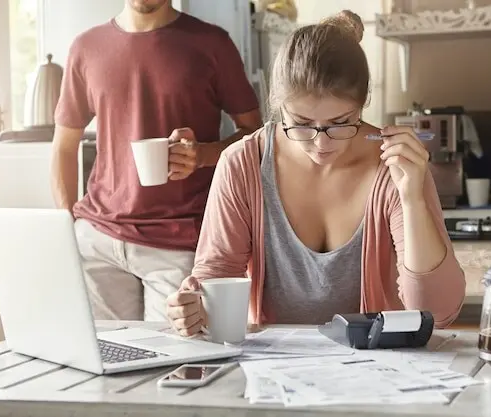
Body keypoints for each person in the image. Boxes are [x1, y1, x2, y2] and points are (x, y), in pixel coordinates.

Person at [166, 10, 465, 335]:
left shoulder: (395, 166)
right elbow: (217, 276)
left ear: (363, 103)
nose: (321, 143)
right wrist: (194, 305)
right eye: (302, 123)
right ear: (279, 106)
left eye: (340, 123)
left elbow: (437, 312)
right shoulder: (242, 164)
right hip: (276, 362)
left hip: (381, 361)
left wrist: (412, 200)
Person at [51, 0, 262, 321]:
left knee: (174, 351)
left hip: (180, 243)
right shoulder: (86, 47)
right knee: (105, 351)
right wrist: (66, 225)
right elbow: (64, 147)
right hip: (98, 242)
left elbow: (255, 135)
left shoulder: (212, 44)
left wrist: (202, 155)